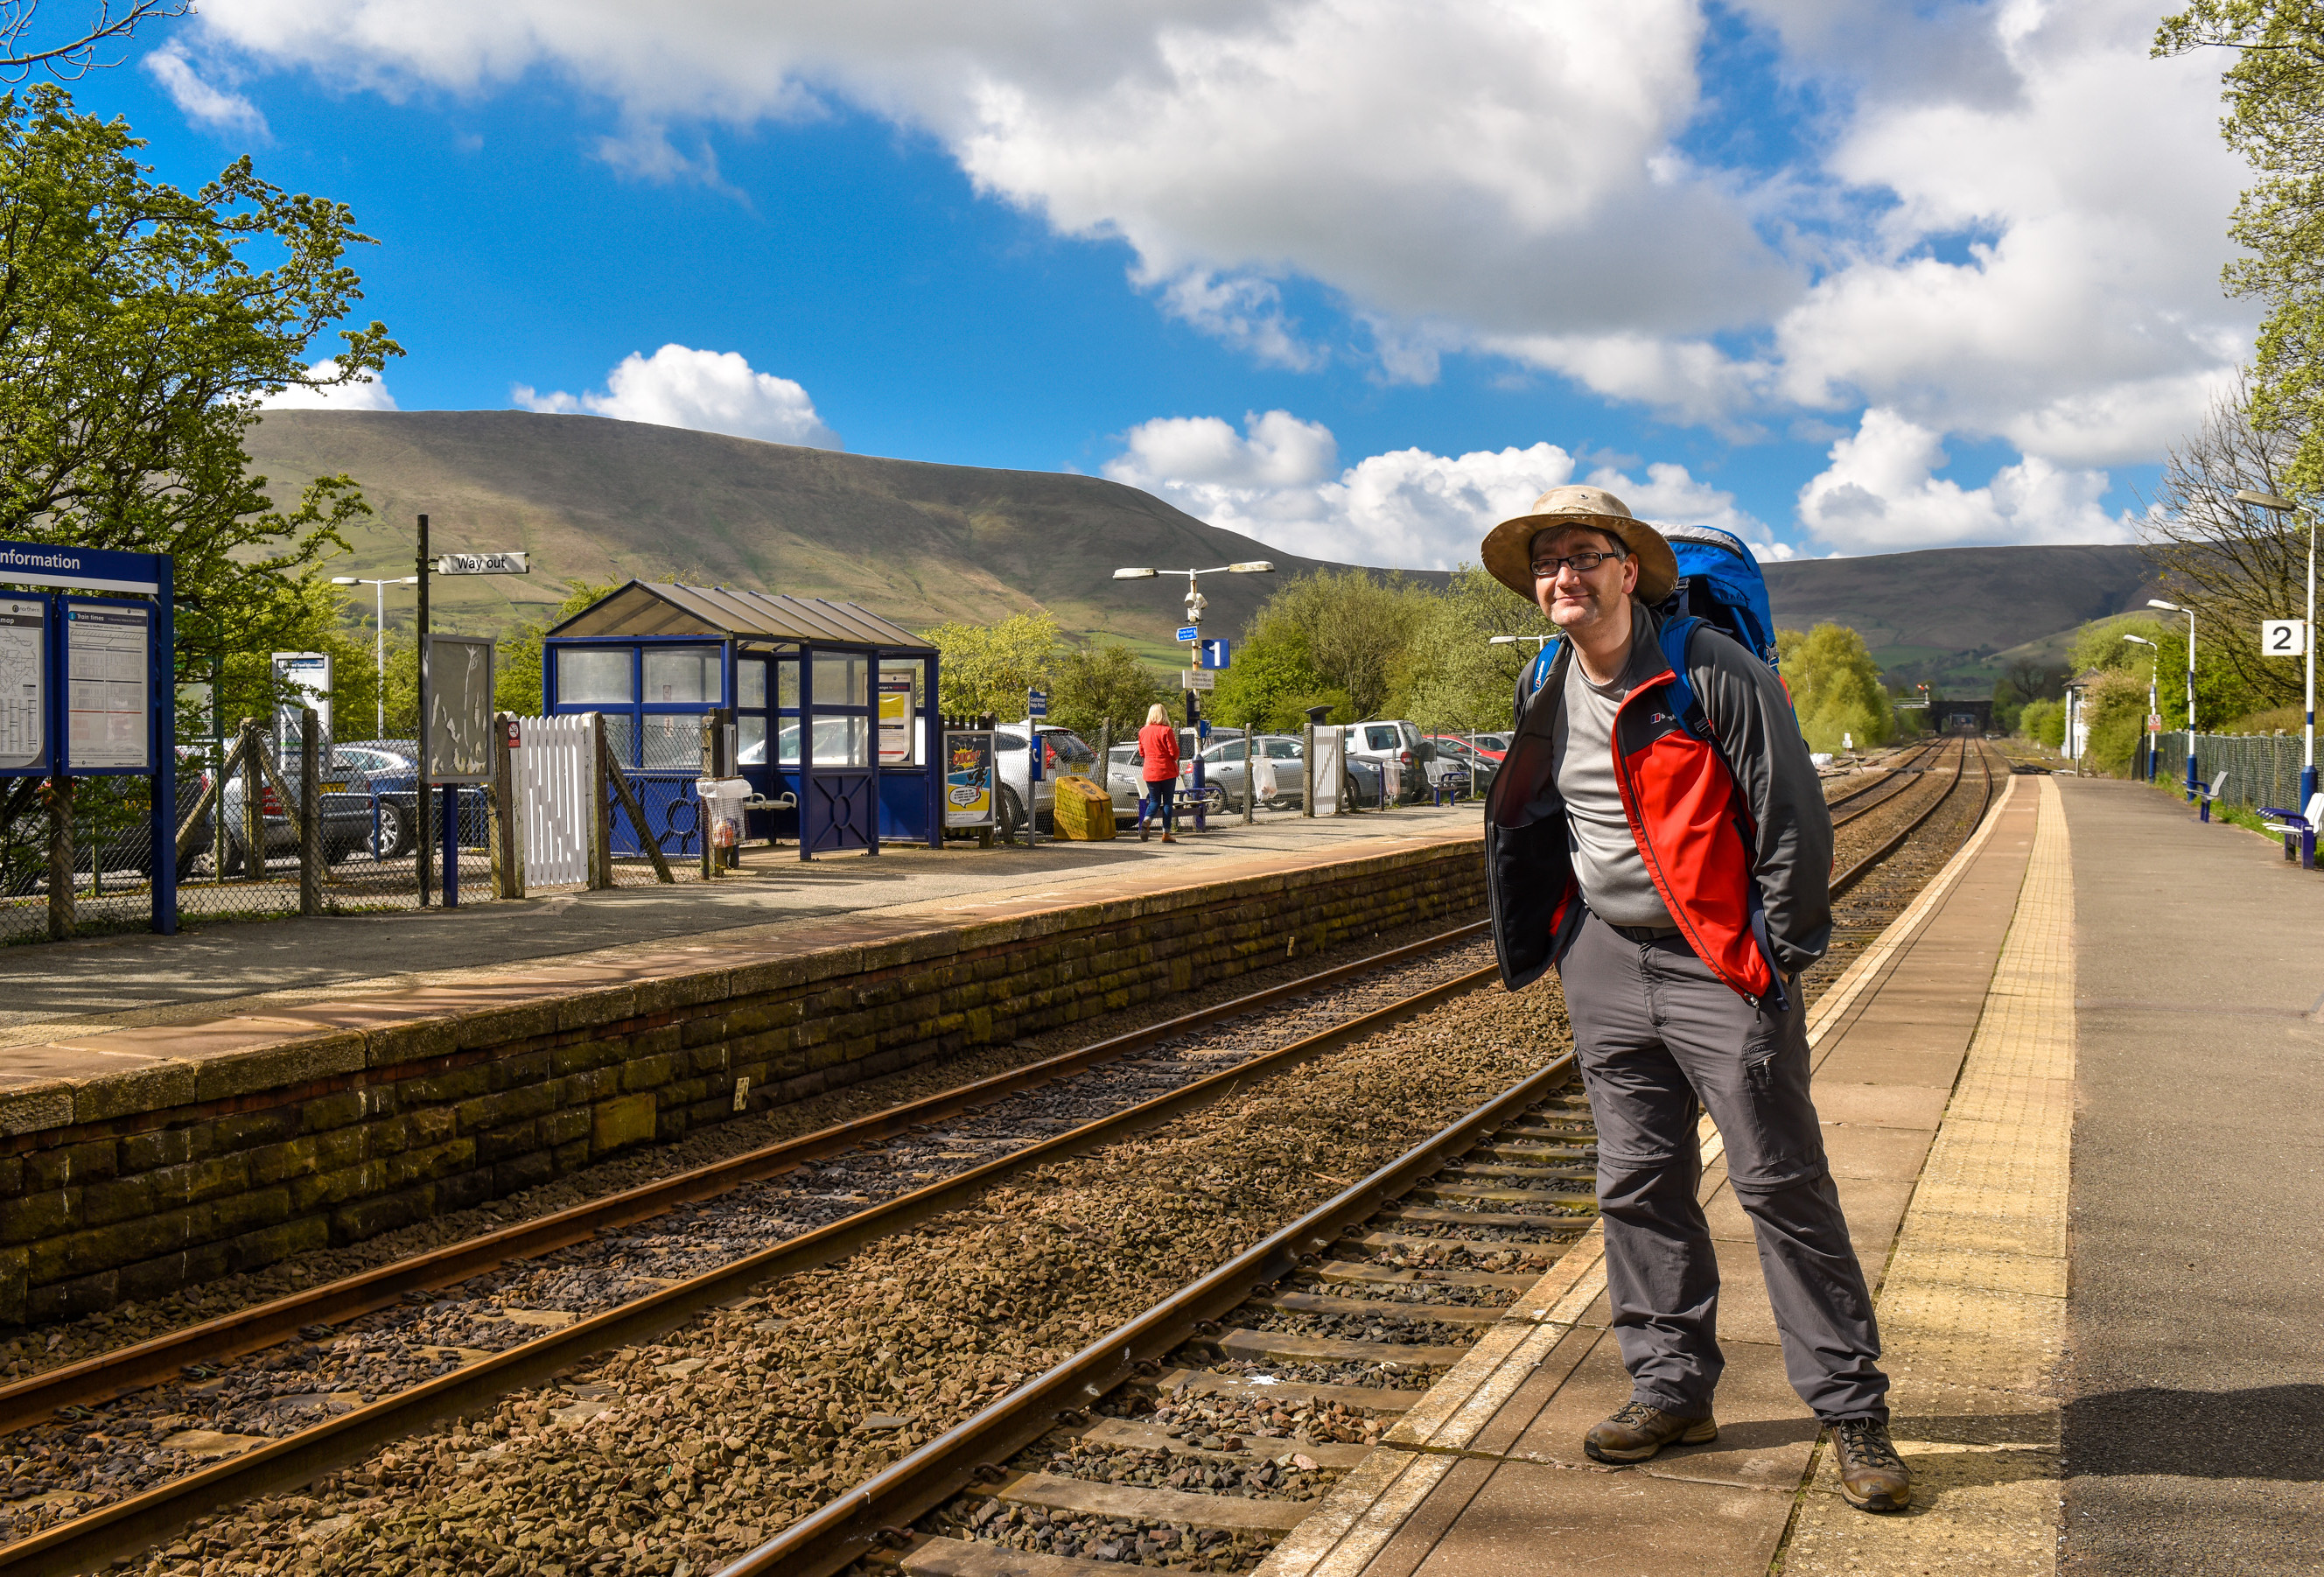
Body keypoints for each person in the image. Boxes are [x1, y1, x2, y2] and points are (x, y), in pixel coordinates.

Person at [1478, 484, 1913, 1514]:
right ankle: (1670, 1389)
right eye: (1548, 561)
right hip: (1604, 960)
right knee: (1637, 1181)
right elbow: (1544, 810)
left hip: (1719, 964)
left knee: (1780, 1185)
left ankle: (1853, 1412)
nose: (1564, 576)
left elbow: (1789, 809)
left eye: (1585, 554)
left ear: (1630, 569)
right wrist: (1558, 930)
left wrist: (1777, 950)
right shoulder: (1546, 676)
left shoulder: (1711, 669)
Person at [1135, 703, 1180, 845]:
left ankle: (1147, 820)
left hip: (1150, 771)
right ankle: (1166, 834)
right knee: (1167, 801)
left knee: (1154, 800)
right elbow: (1174, 754)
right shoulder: (1167, 731)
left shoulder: (1143, 731)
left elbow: (1142, 753)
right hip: (1166, 771)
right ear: (1163, 714)